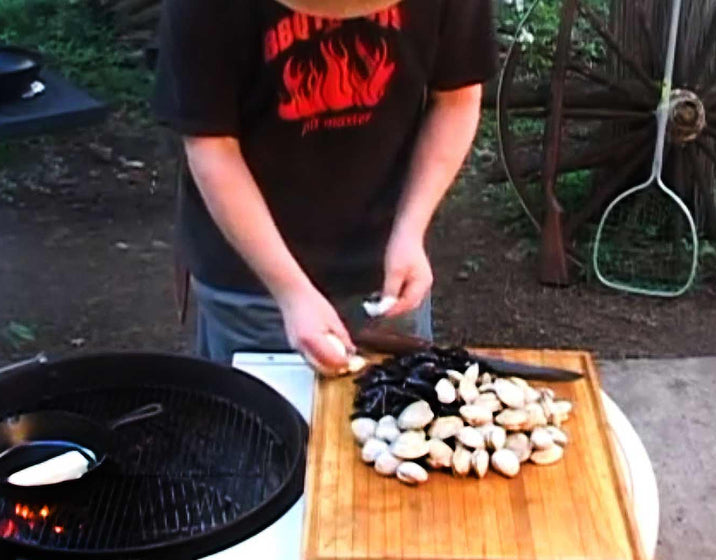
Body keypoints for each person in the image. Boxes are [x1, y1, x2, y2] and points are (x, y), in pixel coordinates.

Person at [153, 0, 497, 373]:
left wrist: (410, 230)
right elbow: (212, 146)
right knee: (264, 424)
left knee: (394, 410)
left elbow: (457, 99)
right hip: (251, 282)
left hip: (388, 272)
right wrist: (290, 290)